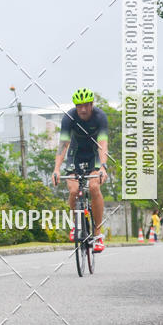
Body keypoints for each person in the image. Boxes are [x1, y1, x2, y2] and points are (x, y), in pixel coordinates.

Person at [51, 88, 108, 252]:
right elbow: (63, 144)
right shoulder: (69, 117)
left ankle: (97, 233)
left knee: (94, 186)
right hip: (75, 154)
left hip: (94, 155)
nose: (82, 109)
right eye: (79, 106)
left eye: (86, 106)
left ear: (91, 105)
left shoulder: (100, 117)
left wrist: (103, 166)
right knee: (74, 190)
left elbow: (103, 143)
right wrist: (56, 169)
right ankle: (76, 223)